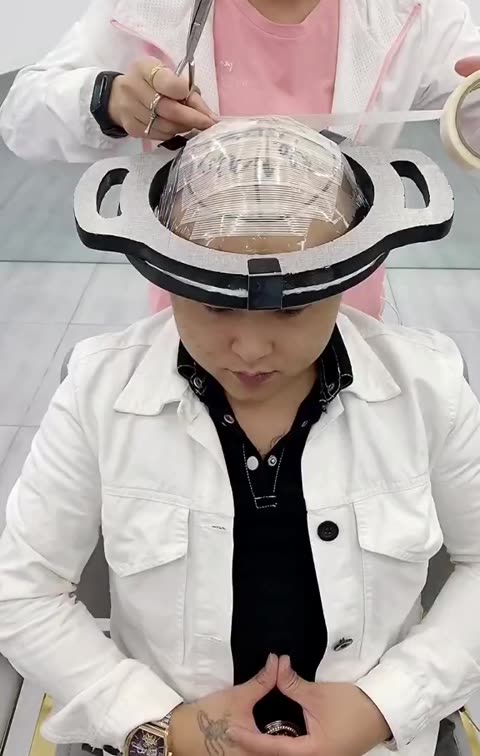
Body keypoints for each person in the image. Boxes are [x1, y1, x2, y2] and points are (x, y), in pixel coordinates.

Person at [0, 118, 479, 756]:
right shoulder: (98, 392)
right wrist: (166, 730)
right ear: (170, 279)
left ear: (342, 279)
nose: (251, 349)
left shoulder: (428, 387)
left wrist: (382, 707)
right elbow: (25, 590)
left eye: (292, 308)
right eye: (217, 304)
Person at [1, 0, 480, 318]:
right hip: (198, 317)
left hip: (342, 314)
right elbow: (22, 115)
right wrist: (109, 100)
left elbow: (472, 120)